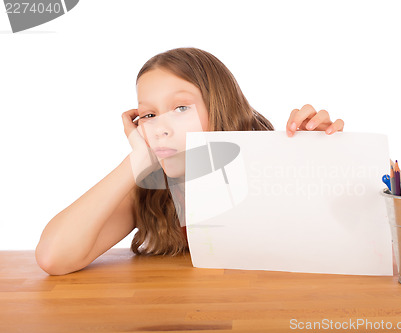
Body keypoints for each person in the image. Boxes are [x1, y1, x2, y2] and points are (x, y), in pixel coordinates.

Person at [35, 47, 345, 275]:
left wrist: (319, 156)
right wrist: (137, 158)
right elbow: (53, 257)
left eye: (181, 108)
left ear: (219, 107)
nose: (161, 127)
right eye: (149, 115)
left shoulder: (266, 164)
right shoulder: (150, 186)